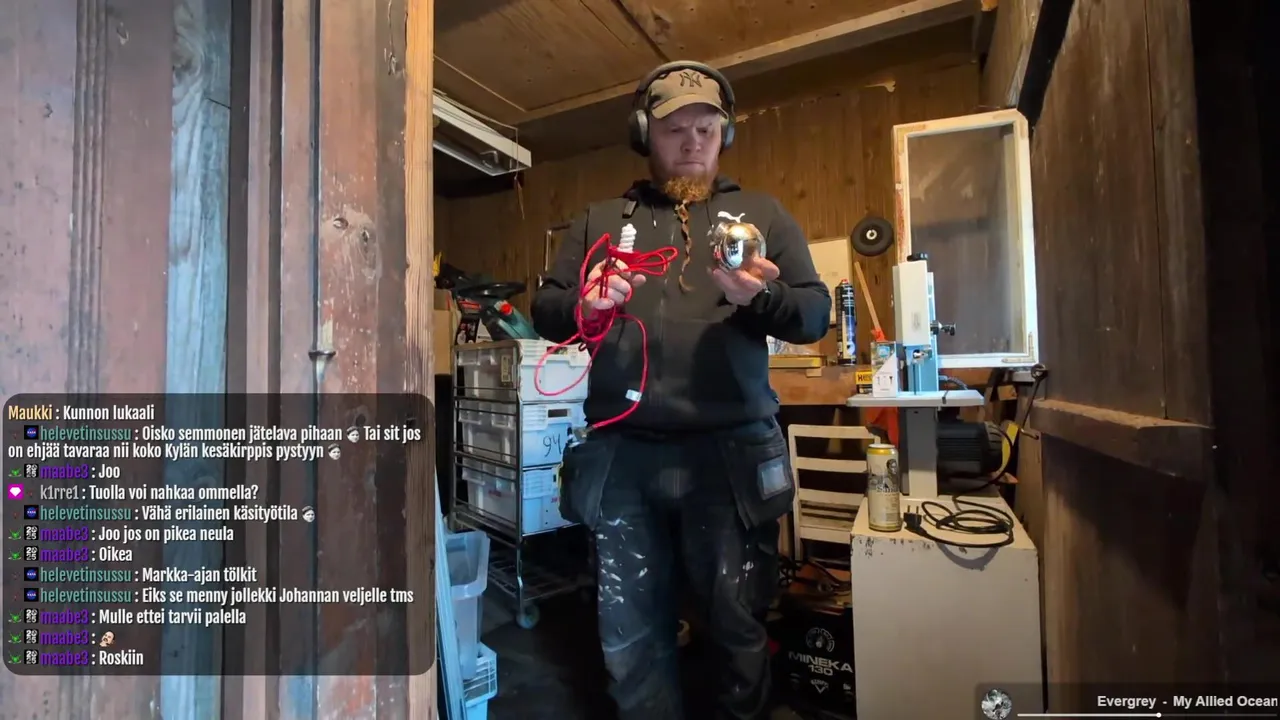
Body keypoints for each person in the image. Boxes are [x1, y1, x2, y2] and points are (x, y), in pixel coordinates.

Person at [531, 61, 831, 720]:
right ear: (645, 134)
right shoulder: (601, 220)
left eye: (707, 128)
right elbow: (545, 310)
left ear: (726, 134)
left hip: (730, 456)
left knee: (736, 628)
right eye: (674, 129)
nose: (693, 141)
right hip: (623, 456)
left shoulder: (762, 215)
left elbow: (815, 314)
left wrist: (763, 299)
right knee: (630, 635)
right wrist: (584, 304)